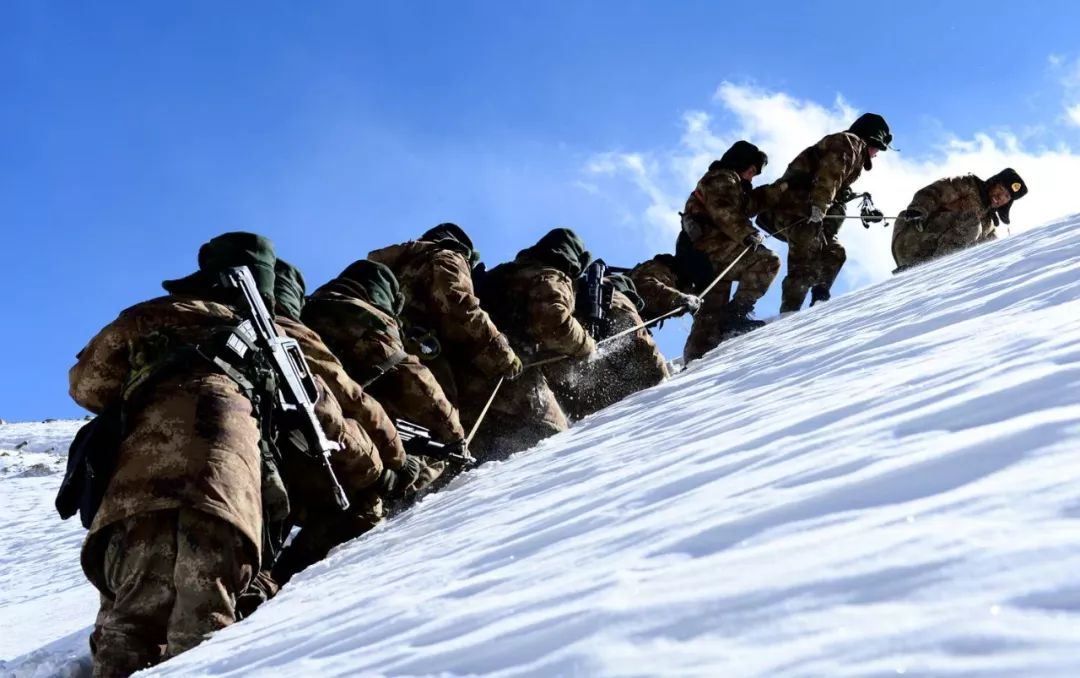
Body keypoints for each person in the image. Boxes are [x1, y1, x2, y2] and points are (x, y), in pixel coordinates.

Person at [72, 233, 379, 676]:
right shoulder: (279, 343)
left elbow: (86, 385)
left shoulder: (151, 317)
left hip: (136, 495)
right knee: (203, 638)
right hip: (225, 495)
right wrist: (379, 470)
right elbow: (328, 420)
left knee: (126, 629)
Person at [301, 260, 469, 456]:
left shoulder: (306, 311)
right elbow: (417, 380)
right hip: (341, 435)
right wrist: (455, 436)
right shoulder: (369, 320)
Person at [367, 223, 522, 422]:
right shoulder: (449, 256)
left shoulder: (399, 267)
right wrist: (503, 354)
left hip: (383, 350)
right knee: (441, 423)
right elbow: (461, 306)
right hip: (422, 355)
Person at [467, 228, 596, 459]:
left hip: (465, 374)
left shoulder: (504, 273)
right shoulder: (550, 275)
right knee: (554, 438)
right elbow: (555, 323)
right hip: (510, 374)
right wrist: (587, 346)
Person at [757, 113, 892, 312]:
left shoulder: (853, 152)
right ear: (871, 140)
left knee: (834, 253)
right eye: (878, 148)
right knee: (803, 264)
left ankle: (819, 302)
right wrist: (819, 206)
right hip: (796, 210)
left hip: (808, 211)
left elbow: (834, 185)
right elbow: (829, 176)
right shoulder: (849, 142)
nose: (876, 154)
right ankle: (789, 313)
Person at [679, 140, 780, 359]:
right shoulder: (722, 178)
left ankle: (694, 363)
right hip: (712, 248)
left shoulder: (732, 186)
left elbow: (749, 205)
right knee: (767, 261)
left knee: (710, 315)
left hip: (704, 256)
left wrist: (779, 190)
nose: (751, 177)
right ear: (740, 163)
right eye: (751, 171)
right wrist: (748, 234)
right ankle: (736, 315)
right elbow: (724, 212)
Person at [544, 272, 668, 419]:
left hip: (575, 361)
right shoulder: (620, 298)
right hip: (608, 365)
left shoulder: (577, 299)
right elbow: (643, 343)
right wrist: (664, 379)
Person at [891, 168, 1028, 271]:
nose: (1000, 197)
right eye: (1001, 189)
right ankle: (935, 268)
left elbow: (992, 252)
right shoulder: (968, 186)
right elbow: (937, 191)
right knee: (973, 223)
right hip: (914, 238)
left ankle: (932, 271)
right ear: (994, 183)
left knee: (985, 244)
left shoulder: (989, 223)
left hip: (925, 257)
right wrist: (918, 208)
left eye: (1006, 196)